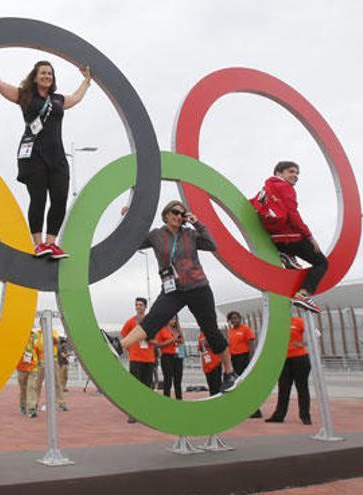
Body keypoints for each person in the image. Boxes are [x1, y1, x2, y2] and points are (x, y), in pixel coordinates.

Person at [0, 44, 92, 259]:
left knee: (60, 198)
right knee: (39, 199)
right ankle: (38, 244)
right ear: (35, 77)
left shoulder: (58, 100)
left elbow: (76, 98)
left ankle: (52, 244)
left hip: (57, 157)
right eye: (43, 73)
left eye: (50, 73)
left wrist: (86, 81)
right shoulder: (24, 96)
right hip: (33, 156)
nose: (47, 76)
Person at [119, 201, 239, 393]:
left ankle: (230, 372)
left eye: (182, 214)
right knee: (153, 320)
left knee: (211, 331)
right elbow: (132, 242)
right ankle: (120, 345)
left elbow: (211, 244)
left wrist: (197, 224)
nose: (179, 216)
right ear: (166, 215)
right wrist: (128, 220)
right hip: (172, 289)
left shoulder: (190, 234)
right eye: (175, 212)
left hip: (198, 287)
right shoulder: (156, 235)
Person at [253, 161, 327, 313]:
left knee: (294, 266)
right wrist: (310, 236)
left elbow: (253, 206)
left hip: (275, 239)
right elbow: (293, 215)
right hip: (290, 237)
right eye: (291, 171)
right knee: (321, 262)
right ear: (279, 173)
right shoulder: (285, 187)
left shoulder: (265, 189)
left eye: (297, 173)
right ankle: (303, 295)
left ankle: (286, 255)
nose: (295, 175)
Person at [266, 315, 312, 425]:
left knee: (302, 388)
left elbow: (315, 334)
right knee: (283, 388)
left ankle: (305, 416)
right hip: (283, 359)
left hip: (299, 358)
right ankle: (279, 416)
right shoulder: (276, 322)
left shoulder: (298, 321)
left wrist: (302, 344)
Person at [121, 297, 157, 422]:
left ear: (145, 307)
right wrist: (130, 348)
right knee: (135, 386)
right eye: (137, 305)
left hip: (149, 358)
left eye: (141, 305)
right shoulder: (130, 322)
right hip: (135, 358)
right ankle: (133, 413)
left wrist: (151, 340)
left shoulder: (150, 321)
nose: (138, 307)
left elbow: (157, 339)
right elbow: (124, 336)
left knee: (147, 386)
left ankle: (146, 412)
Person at [227, 311, 262, 418]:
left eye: (236, 318)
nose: (234, 320)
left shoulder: (245, 329)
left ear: (240, 318)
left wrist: (252, 359)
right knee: (236, 384)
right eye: (232, 318)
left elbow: (251, 344)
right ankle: (241, 408)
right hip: (234, 359)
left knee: (246, 384)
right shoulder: (230, 331)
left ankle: (255, 410)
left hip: (244, 358)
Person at [155, 315, 184, 400]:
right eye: (171, 319)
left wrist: (179, 340)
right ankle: (166, 399)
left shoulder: (177, 330)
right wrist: (172, 340)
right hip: (167, 356)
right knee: (168, 379)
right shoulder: (162, 330)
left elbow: (182, 343)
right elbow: (158, 344)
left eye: (175, 319)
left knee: (178, 380)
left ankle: (179, 400)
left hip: (178, 356)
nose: (173, 321)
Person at [16, 328, 43, 416]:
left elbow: (39, 351)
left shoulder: (36, 338)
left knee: (32, 387)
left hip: (33, 367)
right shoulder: (19, 339)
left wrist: (40, 362)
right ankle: (23, 406)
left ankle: (32, 408)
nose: (30, 334)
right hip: (21, 367)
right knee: (23, 389)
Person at [199, 331, 223, 396]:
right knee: (211, 385)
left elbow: (218, 345)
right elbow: (201, 349)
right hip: (207, 364)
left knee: (217, 385)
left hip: (216, 362)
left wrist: (206, 341)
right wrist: (202, 344)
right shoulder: (201, 335)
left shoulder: (214, 332)